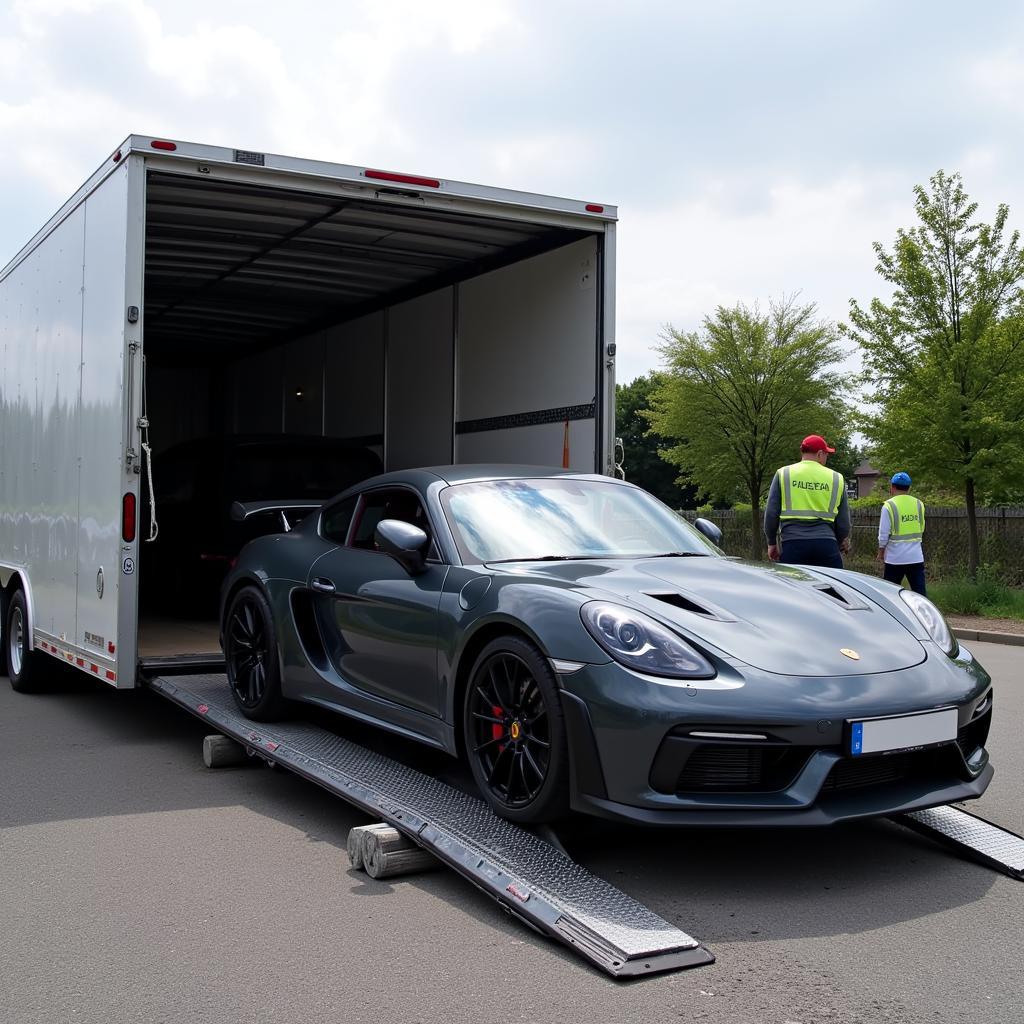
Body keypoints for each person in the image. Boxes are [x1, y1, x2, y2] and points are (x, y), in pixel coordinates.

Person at [764, 435, 850, 568]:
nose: (826, 458)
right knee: (830, 587)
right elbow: (844, 521)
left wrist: (771, 543)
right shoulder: (836, 478)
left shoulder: (784, 473)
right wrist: (838, 542)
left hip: (792, 544)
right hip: (826, 545)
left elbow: (771, 514)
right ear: (820, 454)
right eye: (826, 454)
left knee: (792, 587)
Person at [876, 471, 926, 595]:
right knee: (920, 595)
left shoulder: (889, 506)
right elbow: (922, 527)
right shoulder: (919, 504)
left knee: (890, 595)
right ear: (909, 488)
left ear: (892, 487)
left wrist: (881, 552)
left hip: (895, 558)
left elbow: (883, 533)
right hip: (916, 557)